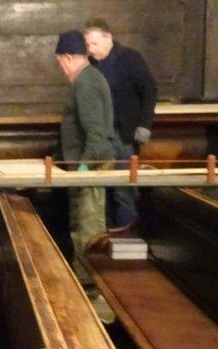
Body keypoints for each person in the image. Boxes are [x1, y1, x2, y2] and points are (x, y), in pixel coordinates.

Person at [84, 18, 157, 230]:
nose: (90, 49)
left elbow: (149, 91)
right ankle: (106, 235)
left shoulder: (129, 58)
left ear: (108, 38)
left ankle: (126, 234)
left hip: (123, 135)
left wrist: (144, 128)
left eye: (94, 44)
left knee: (123, 189)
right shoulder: (91, 64)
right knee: (102, 189)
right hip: (99, 137)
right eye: (88, 45)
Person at [56, 30, 117, 284]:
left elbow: (95, 131)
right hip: (85, 162)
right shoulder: (88, 78)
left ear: (69, 57)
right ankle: (84, 278)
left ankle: (89, 283)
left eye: (60, 62)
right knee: (81, 223)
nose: (61, 68)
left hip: (91, 165)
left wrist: (84, 166)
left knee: (88, 226)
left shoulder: (86, 82)